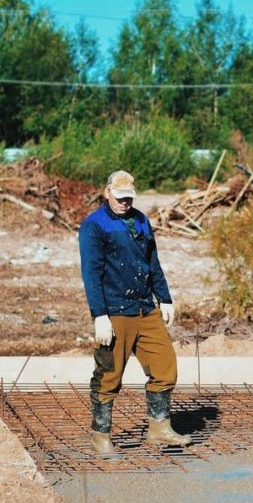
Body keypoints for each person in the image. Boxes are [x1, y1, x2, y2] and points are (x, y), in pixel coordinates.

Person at [79, 170, 191, 456]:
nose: (124, 203)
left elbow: (152, 261)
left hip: (145, 308)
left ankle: (159, 428)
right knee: (109, 375)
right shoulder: (95, 225)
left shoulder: (141, 220)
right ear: (107, 193)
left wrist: (164, 298)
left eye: (128, 198)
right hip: (115, 311)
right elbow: (91, 273)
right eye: (119, 198)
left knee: (165, 368)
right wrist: (99, 314)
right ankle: (101, 437)